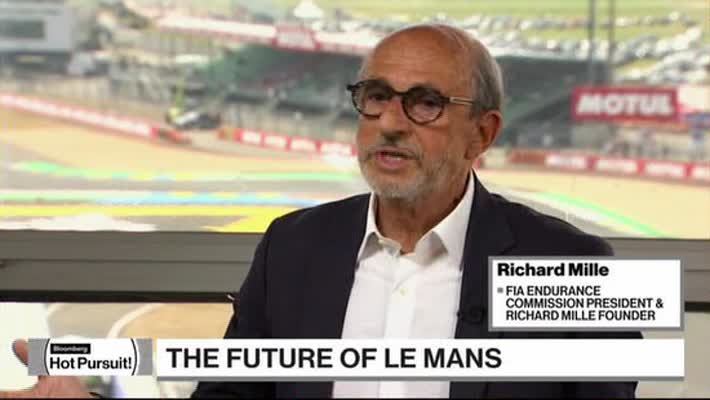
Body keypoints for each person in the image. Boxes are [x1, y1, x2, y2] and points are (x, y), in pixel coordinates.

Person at [1, 24, 640, 399]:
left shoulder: (572, 265)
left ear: (483, 133)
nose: (390, 122)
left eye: (424, 103)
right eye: (376, 96)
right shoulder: (292, 247)